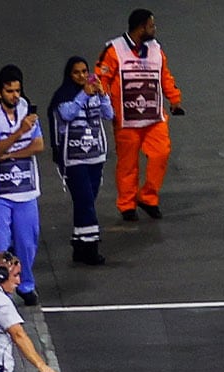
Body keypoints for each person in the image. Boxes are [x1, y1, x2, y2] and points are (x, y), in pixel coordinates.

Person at [98, 9, 185, 221]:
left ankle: (147, 197)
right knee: (128, 164)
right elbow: (101, 79)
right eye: (151, 25)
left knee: (161, 154)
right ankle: (127, 204)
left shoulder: (156, 49)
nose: (154, 29)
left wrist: (174, 100)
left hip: (154, 117)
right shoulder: (114, 50)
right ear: (140, 28)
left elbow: (164, 76)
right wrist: (106, 106)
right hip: (126, 120)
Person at [0, 65, 45, 306]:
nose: (15, 95)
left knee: (27, 242)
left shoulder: (27, 111)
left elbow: (38, 145)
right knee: (0, 245)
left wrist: (11, 155)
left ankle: (26, 284)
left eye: (17, 90)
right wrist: (19, 134)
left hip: (26, 189)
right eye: (9, 91)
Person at [50, 55, 115, 266]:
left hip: (95, 156)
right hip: (74, 159)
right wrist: (82, 96)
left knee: (86, 200)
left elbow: (109, 114)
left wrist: (103, 94)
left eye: (85, 72)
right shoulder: (63, 96)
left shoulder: (94, 94)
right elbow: (67, 115)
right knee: (86, 201)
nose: (82, 76)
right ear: (70, 75)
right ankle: (91, 247)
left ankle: (79, 244)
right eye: (77, 72)